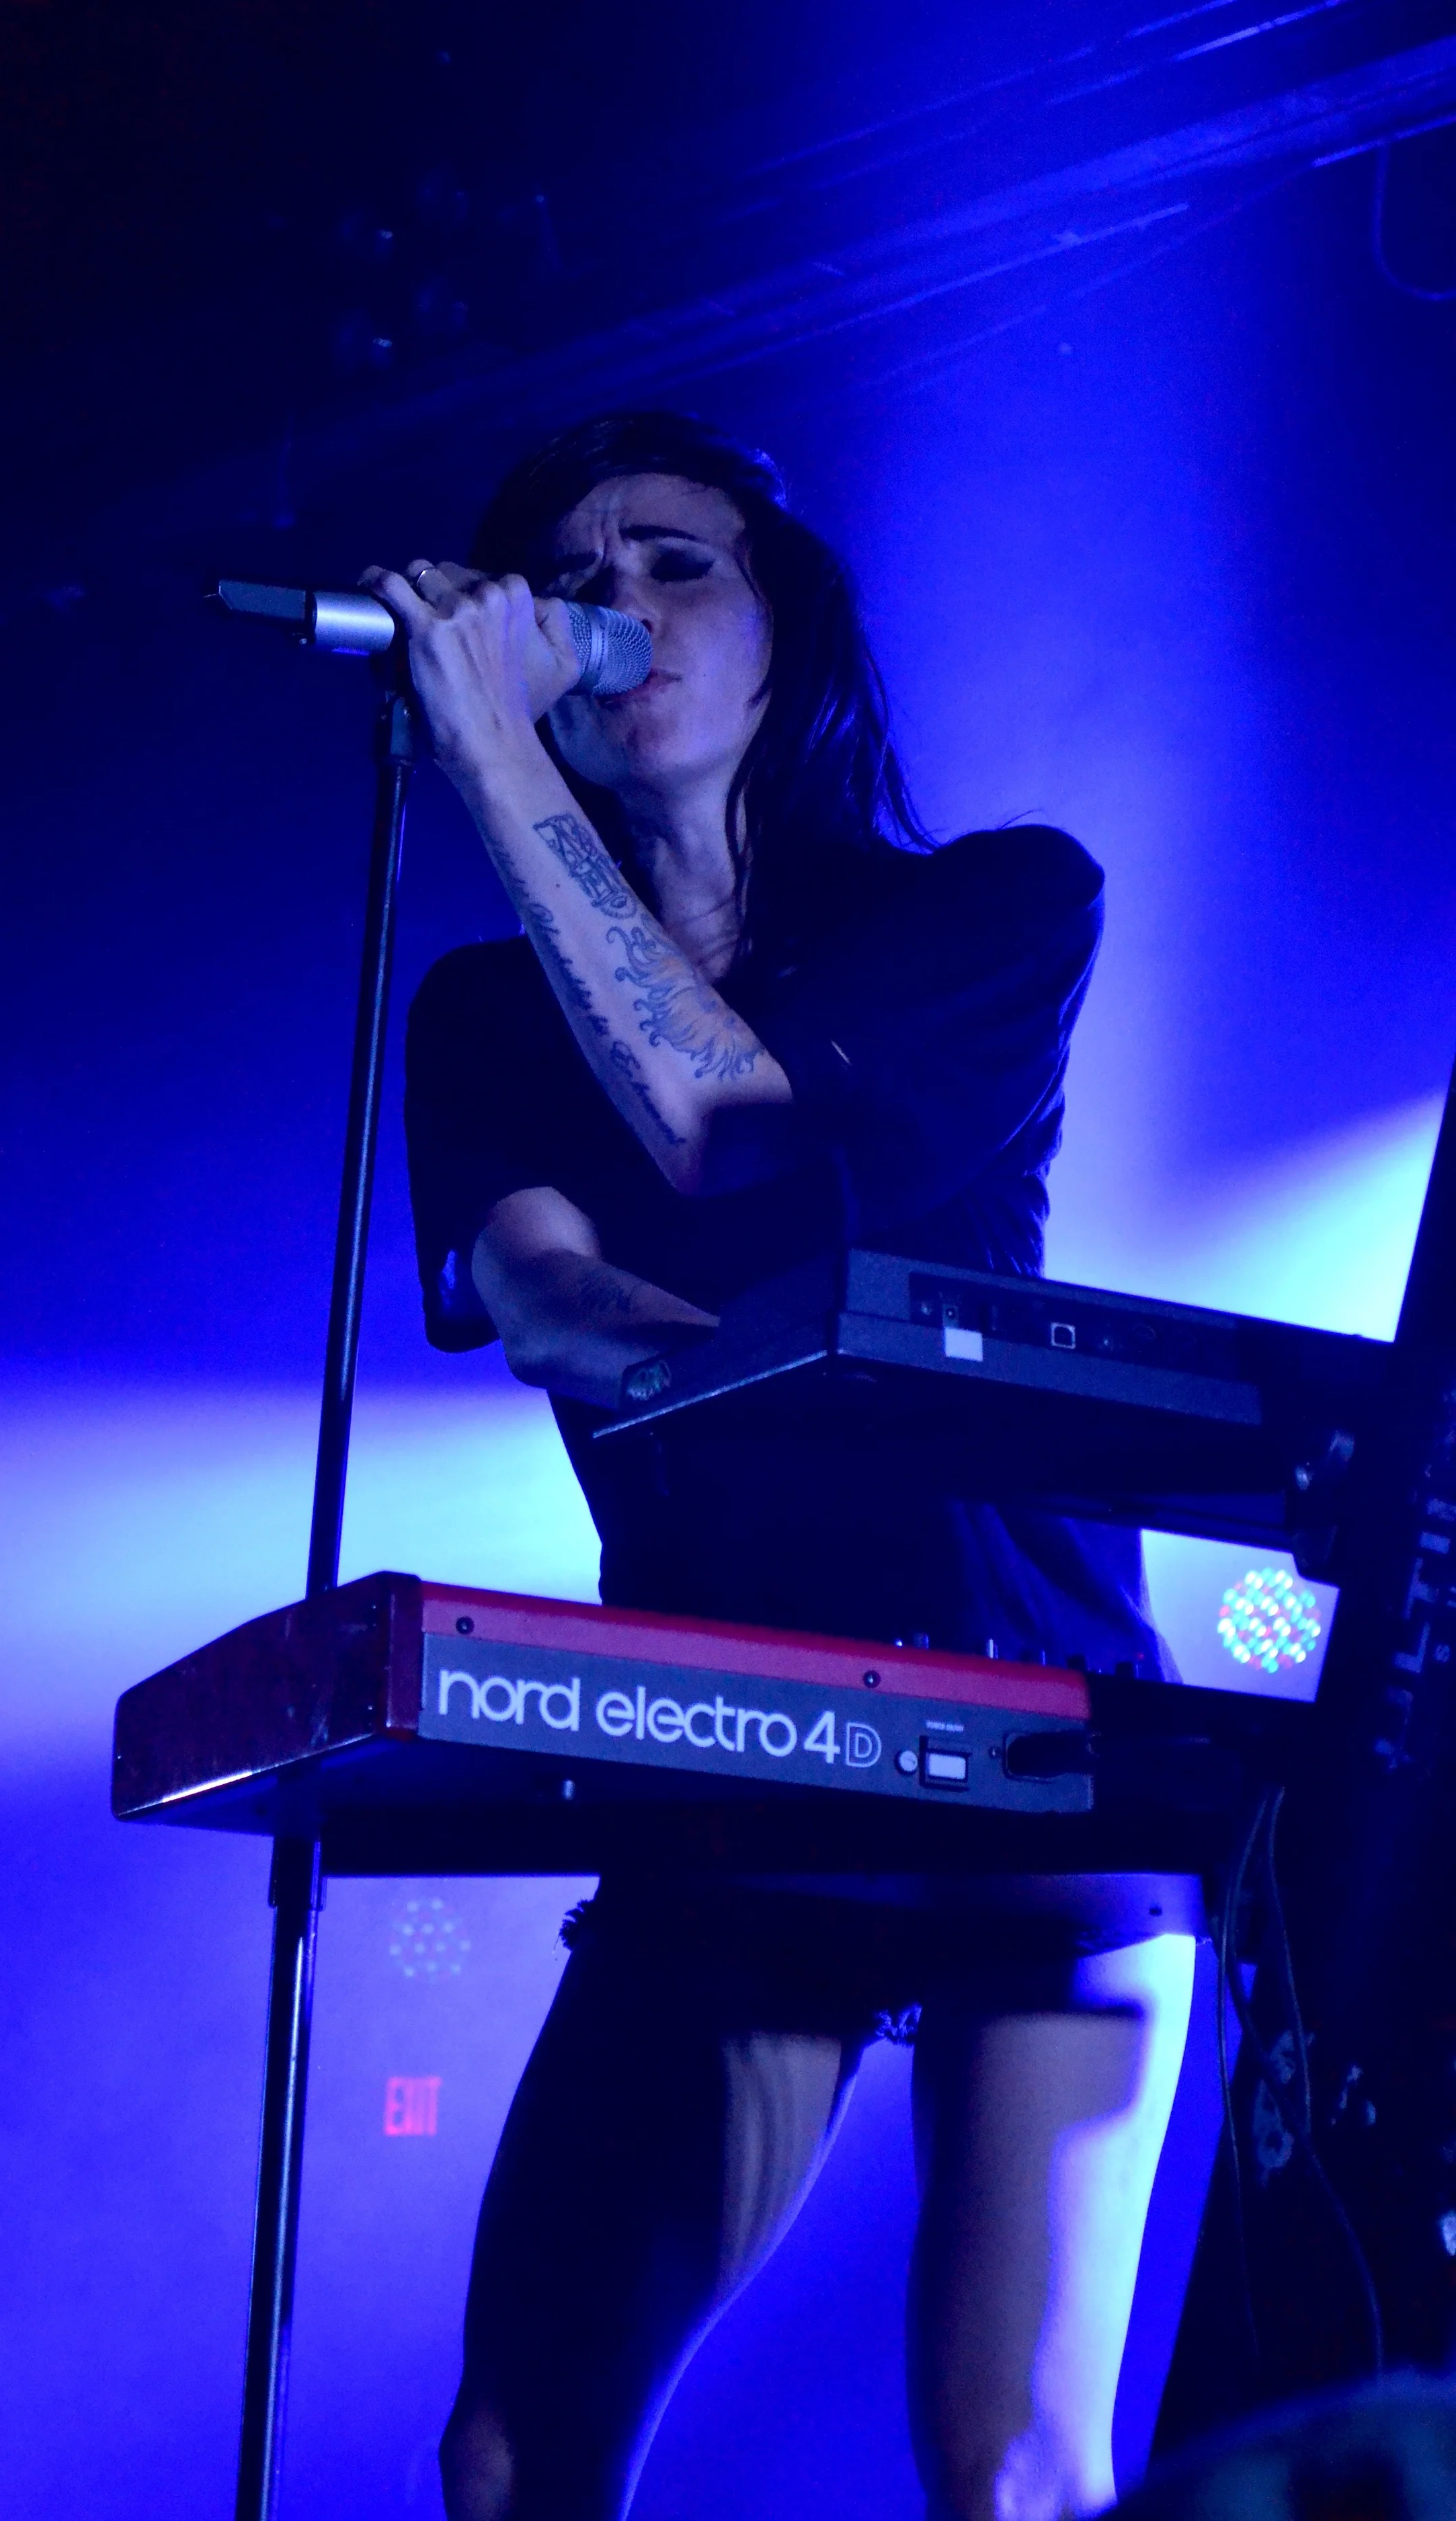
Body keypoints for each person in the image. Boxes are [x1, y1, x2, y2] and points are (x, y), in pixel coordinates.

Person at [375, 411, 1197, 2521]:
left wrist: (494, 765)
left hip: (1032, 1729)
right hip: (728, 1731)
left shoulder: (990, 908)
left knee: (1008, 2469)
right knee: (510, 2453)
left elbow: (728, 1134)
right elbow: (546, 1296)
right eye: (571, 578)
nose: (618, 606)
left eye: (676, 560)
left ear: (785, 627)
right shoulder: (483, 1014)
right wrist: (735, 1366)